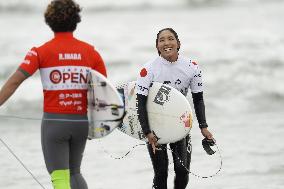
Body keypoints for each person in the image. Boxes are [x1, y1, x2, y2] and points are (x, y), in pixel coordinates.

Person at [0, 0, 106, 189]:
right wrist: (97, 124)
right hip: (81, 123)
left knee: (60, 179)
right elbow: (102, 92)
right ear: (76, 20)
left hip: (54, 124)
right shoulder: (91, 52)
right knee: (75, 173)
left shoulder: (39, 52)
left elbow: (15, 81)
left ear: (49, 21)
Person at [136, 28, 214, 189]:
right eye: (161, 40)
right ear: (157, 46)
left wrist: (203, 126)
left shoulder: (191, 67)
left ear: (178, 43)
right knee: (161, 172)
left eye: (170, 39)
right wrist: (147, 131)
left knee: (182, 170)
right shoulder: (147, 70)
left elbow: (198, 98)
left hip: (179, 122)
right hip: (155, 125)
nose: (166, 43)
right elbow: (140, 103)